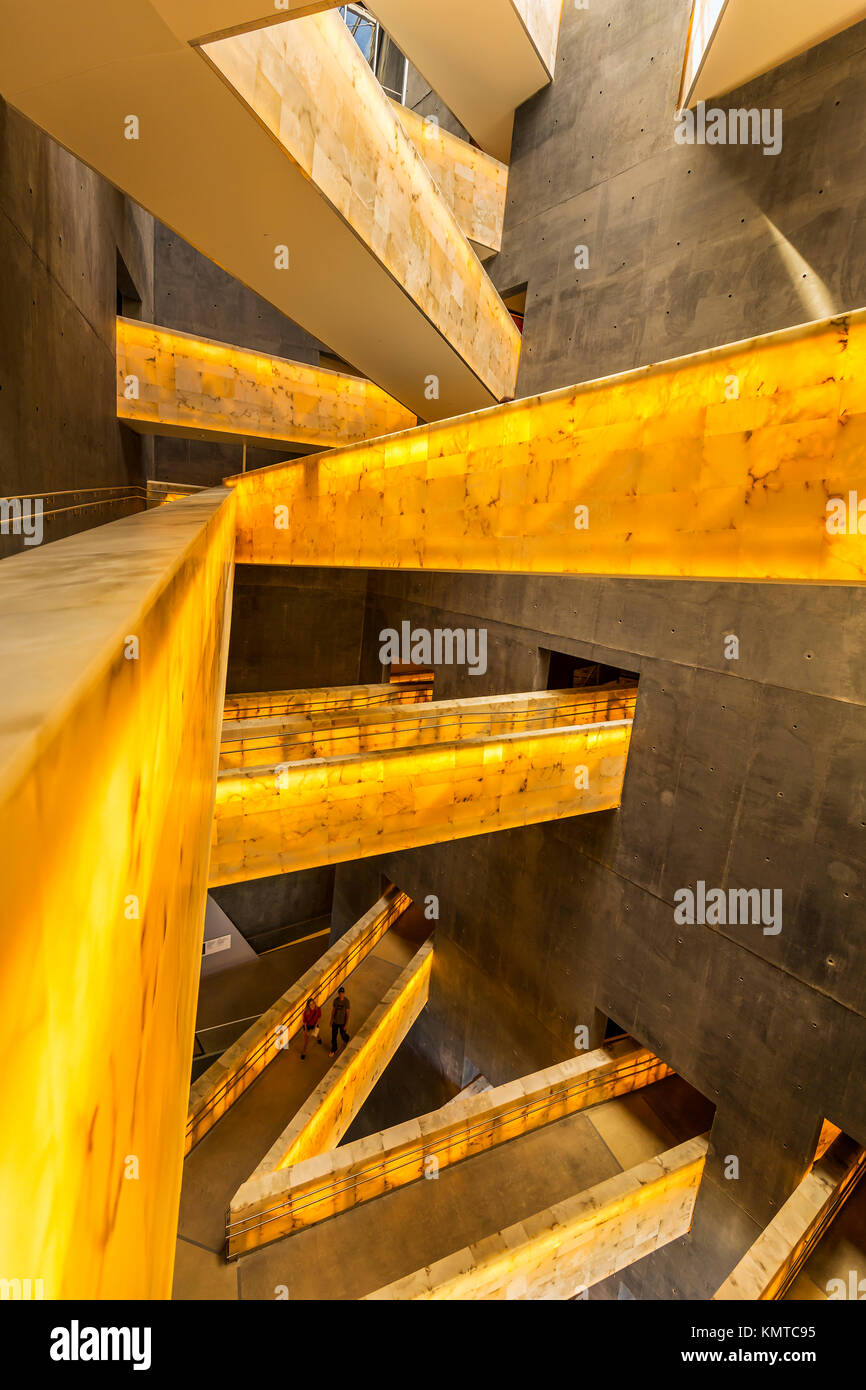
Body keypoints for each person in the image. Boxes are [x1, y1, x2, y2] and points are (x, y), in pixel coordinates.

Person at [329, 986, 351, 1056]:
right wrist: (331, 1020)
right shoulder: (336, 1001)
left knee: (343, 1035)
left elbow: (347, 1013)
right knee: (333, 1037)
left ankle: (346, 1039)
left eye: (342, 993)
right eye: (340, 993)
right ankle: (333, 1049)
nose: (341, 994)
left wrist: (346, 1024)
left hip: (342, 1023)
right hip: (335, 1022)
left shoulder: (346, 1002)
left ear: (344, 994)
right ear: (338, 994)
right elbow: (333, 1010)